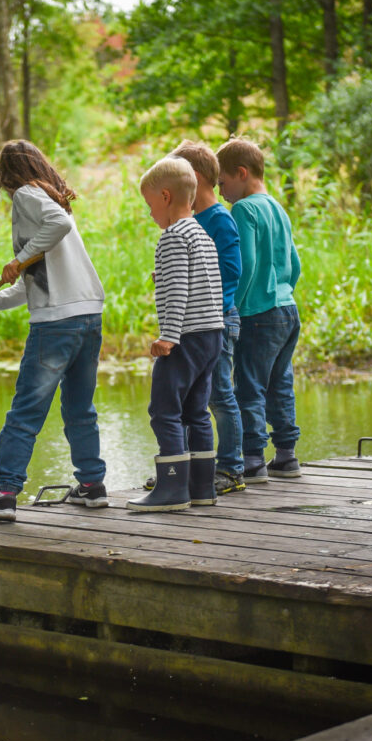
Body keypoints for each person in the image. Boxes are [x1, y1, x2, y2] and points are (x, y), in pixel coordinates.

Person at [0, 139, 108, 521]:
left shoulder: (27, 196)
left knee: (25, 411)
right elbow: (36, 284)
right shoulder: (49, 200)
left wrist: (20, 257)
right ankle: (92, 485)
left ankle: (5, 494)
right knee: (80, 408)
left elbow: (57, 228)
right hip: (87, 315)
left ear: (7, 174)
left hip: (56, 324)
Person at [127, 156, 224, 512]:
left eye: (150, 204)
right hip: (212, 335)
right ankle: (201, 488)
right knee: (196, 411)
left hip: (185, 337)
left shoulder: (172, 237)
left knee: (164, 410)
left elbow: (180, 290)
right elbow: (204, 281)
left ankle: (171, 489)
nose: (150, 213)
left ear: (166, 197)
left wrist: (168, 336)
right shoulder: (201, 234)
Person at [216, 137, 301, 482]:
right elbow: (295, 263)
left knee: (249, 386)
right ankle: (286, 455)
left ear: (241, 173)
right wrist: (283, 290)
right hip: (287, 309)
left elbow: (246, 264)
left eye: (222, 182)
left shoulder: (244, 209)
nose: (221, 192)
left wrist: (234, 306)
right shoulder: (277, 207)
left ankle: (252, 458)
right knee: (280, 383)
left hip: (258, 313)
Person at [170, 140, 245, 495]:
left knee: (219, 396)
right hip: (191, 324)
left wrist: (202, 293)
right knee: (189, 398)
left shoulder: (220, 220)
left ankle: (231, 468)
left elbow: (231, 271)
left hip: (217, 321)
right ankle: (188, 469)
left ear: (195, 178)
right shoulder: (189, 220)